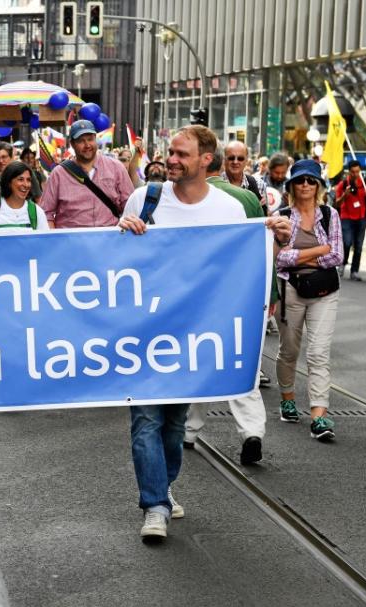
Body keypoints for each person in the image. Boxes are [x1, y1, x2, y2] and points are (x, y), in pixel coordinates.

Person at [119, 126, 291, 542]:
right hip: (145, 331)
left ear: (205, 160)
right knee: (145, 418)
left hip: (192, 338)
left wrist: (275, 241)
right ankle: (155, 504)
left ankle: (165, 484)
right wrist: (122, 229)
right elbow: (116, 263)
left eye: (181, 154)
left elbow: (244, 268)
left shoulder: (228, 210)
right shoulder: (147, 198)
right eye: (170, 153)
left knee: (175, 424)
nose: (171, 160)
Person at [184, 144, 274, 465]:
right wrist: (270, 293)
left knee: (198, 359)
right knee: (240, 362)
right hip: (242, 293)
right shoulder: (249, 198)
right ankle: (252, 431)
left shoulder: (193, 199)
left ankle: (190, 430)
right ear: (222, 166)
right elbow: (264, 249)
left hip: (202, 295)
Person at [274, 159, 343, 442]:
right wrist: (318, 251)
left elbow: (337, 255)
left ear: (318, 186)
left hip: (325, 291)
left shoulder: (329, 215)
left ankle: (318, 415)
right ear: (291, 185)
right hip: (290, 289)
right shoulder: (281, 215)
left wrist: (301, 256)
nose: (305, 185)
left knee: (318, 353)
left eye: (311, 181)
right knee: (289, 350)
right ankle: (288, 397)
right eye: (300, 180)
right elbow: (279, 257)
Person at [39, 119, 134, 229]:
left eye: (90, 139)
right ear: (72, 144)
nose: (87, 145)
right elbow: (46, 215)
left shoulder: (116, 168)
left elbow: (131, 207)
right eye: (81, 141)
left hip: (109, 240)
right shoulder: (59, 174)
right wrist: (55, 242)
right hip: (71, 242)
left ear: (95, 139)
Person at [0, 160, 49, 233]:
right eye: (20, 179)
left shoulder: (37, 212)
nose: (26, 185)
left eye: (28, 180)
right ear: (8, 182)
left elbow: (44, 242)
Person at [334, 160, 366, 281]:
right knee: (346, 243)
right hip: (346, 218)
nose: (355, 174)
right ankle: (342, 264)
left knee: (359, 246)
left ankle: (354, 271)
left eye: (357, 171)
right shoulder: (343, 184)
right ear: (349, 172)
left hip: (361, 218)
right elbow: (337, 203)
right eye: (353, 172)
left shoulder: (365, 182)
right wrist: (345, 195)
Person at [222, 140, 265, 211]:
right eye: (231, 158)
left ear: (246, 160)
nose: (235, 162)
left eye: (240, 158)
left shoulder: (259, 184)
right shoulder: (213, 185)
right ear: (224, 159)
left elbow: (264, 217)